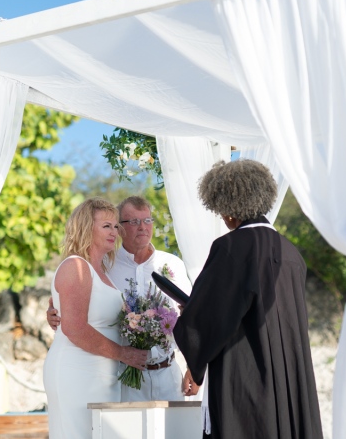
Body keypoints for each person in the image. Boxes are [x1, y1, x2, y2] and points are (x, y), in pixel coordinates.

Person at [173, 160, 324, 439]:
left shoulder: (230, 248)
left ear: (229, 208)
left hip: (247, 372)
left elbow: (210, 318)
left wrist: (190, 315)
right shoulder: (291, 253)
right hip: (290, 373)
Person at [48, 196, 194, 401]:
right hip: (124, 377)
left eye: (147, 220)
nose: (143, 227)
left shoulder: (172, 264)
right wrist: (53, 313)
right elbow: (68, 301)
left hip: (168, 373)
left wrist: (194, 366)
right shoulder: (106, 264)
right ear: (122, 228)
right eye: (133, 222)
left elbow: (191, 316)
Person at [43, 198, 148, 439]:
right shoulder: (76, 267)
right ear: (85, 228)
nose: (115, 232)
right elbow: (74, 328)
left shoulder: (103, 272)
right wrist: (123, 354)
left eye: (115, 226)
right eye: (106, 226)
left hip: (104, 373)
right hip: (77, 371)